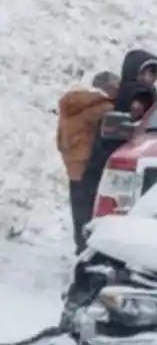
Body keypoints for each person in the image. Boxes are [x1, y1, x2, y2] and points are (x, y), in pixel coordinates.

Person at [81, 50, 157, 219]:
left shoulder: (149, 95)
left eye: (152, 73)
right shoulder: (134, 94)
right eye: (144, 72)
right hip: (110, 164)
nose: (147, 78)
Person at [56, 71, 118, 254]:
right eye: (116, 88)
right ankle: (88, 249)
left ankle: (80, 246)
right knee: (92, 210)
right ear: (108, 88)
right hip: (91, 165)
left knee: (79, 210)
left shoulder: (72, 105)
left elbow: (61, 139)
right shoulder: (102, 108)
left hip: (73, 164)